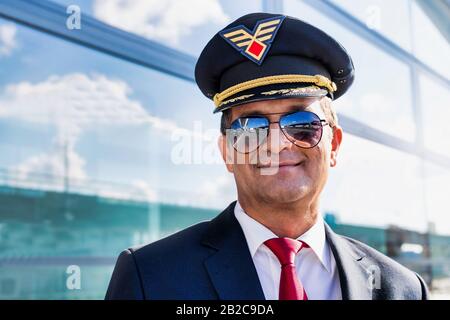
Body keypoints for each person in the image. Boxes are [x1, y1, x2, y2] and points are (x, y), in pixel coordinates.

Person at [105, 13, 429, 300]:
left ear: (334, 145)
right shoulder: (150, 278)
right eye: (251, 127)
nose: (276, 144)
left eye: (301, 124)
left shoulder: (403, 290)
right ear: (227, 152)